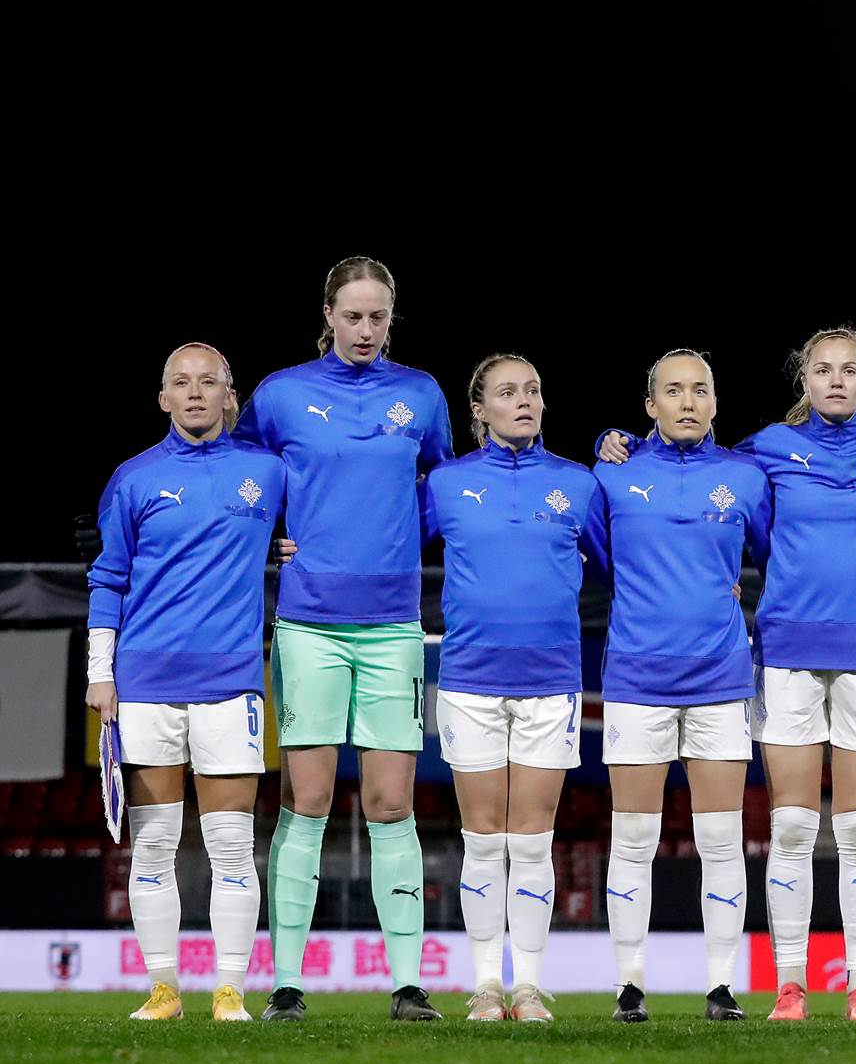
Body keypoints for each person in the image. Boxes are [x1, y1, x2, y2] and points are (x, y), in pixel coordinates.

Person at [600, 329, 856, 1020]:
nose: (835, 380)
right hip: (784, 653)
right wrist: (615, 439)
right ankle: (790, 984)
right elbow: (746, 538)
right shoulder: (762, 454)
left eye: (849, 370)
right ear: (803, 381)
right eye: (822, 369)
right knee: (793, 829)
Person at [235, 256, 455, 1022]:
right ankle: (286, 986)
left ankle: (408, 986)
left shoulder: (420, 394)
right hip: (308, 625)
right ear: (328, 314)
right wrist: (265, 539)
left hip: (394, 626)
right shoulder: (280, 394)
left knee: (392, 802)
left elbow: (445, 488)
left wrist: (397, 538)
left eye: (378, 317)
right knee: (310, 799)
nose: (366, 330)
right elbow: (240, 479)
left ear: (392, 319)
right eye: (353, 316)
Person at [87, 343, 287, 1021]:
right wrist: (100, 674)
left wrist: (292, 546)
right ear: (163, 398)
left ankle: (229, 991)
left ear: (230, 396)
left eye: (208, 381)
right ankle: (164, 990)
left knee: (231, 845)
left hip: (232, 682)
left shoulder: (268, 471)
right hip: (144, 683)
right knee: (153, 844)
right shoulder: (134, 477)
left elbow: (318, 523)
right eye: (181, 382)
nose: (195, 392)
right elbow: (108, 578)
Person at [422, 355, 608, 1022]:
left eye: (533, 389)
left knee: (531, 841)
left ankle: (526, 986)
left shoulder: (578, 484)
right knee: (482, 840)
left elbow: (620, 564)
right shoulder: (445, 484)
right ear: (479, 410)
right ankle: (484, 986)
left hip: (550, 682)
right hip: (469, 680)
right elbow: (388, 545)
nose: (524, 400)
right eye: (507, 392)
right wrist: (308, 551)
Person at [593, 351, 770, 1022]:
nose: (688, 401)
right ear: (651, 406)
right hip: (637, 677)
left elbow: (775, 559)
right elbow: (599, 558)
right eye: (673, 390)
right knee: (634, 839)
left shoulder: (745, 478)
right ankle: (629, 986)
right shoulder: (612, 475)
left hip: (721, 677)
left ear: (716, 403)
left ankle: (720, 987)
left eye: (700, 390)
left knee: (721, 840)